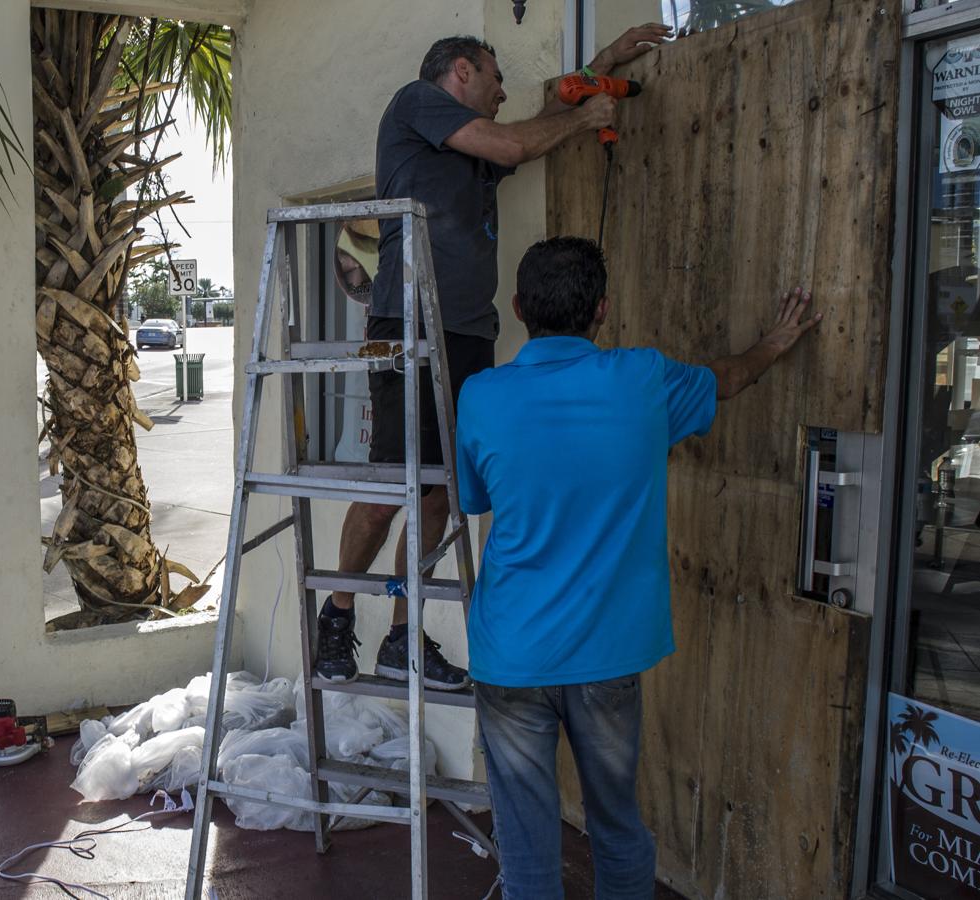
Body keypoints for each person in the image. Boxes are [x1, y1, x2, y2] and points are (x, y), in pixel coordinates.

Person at [454, 237, 821, 898]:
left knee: (526, 846)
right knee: (618, 828)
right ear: (601, 309)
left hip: (510, 654)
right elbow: (729, 377)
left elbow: (474, 498)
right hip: (606, 658)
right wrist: (773, 343)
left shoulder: (480, 396)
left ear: (516, 307)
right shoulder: (644, 381)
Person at [317, 24, 672, 690]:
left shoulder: (474, 151)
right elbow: (517, 139)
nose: (504, 92)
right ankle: (336, 616)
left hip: (467, 331)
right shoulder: (415, 104)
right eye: (494, 77)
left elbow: (534, 129)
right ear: (458, 72)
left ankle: (402, 636)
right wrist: (586, 115)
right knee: (385, 493)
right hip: (408, 324)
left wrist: (601, 67)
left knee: (436, 497)